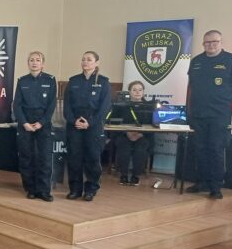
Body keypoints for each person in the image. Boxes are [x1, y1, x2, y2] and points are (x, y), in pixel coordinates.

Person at [187, 30, 232, 199]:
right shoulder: (196, 61)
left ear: (221, 42)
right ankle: (202, 182)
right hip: (199, 113)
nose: (211, 45)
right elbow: (193, 86)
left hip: (219, 115)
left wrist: (224, 100)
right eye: (207, 42)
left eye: (214, 41)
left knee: (216, 149)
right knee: (200, 149)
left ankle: (215, 187)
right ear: (203, 44)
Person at [63, 51, 111, 201]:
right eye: (83, 59)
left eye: (89, 59)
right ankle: (75, 189)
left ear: (97, 63)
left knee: (92, 158)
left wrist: (90, 122)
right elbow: (67, 106)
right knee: (74, 159)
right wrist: (73, 121)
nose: (85, 62)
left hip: (93, 126)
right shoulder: (73, 81)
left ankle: (91, 189)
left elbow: (105, 107)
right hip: (75, 125)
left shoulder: (103, 82)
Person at [12, 51, 57, 201]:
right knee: (26, 157)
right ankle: (30, 189)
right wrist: (24, 123)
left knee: (45, 158)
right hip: (25, 123)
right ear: (28, 63)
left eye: (38, 60)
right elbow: (17, 105)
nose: (34, 62)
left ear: (42, 63)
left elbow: (51, 105)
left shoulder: (50, 80)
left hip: (43, 123)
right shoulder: (22, 81)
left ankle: (44, 191)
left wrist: (41, 123)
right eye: (31, 60)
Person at [111, 81, 152, 186]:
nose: (137, 92)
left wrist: (140, 134)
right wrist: (127, 132)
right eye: (134, 90)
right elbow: (114, 121)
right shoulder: (121, 106)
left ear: (143, 92)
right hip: (124, 134)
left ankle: (136, 176)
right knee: (123, 147)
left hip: (143, 135)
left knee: (140, 149)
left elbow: (153, 124)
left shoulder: (149, 106)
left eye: (140, 90)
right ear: (129, 92)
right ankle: (123, 175)